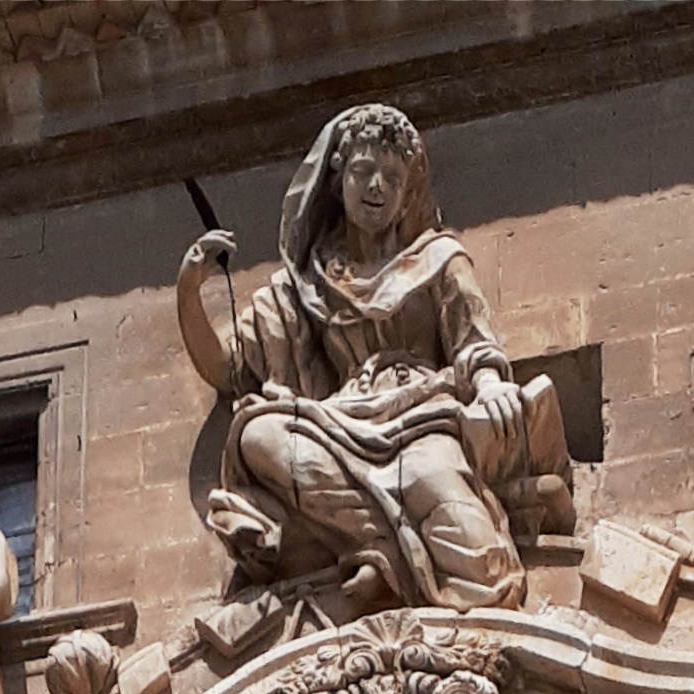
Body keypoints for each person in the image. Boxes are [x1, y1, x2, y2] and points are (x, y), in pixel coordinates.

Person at [177, 105, 574, 616]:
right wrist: (189, 290)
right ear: (338, 178)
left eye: (392, 176)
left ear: (409, 189)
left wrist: (493, 384)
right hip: (339, 419)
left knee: (471, 546)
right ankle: (385, 552)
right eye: (364, 172)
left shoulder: (438, 259)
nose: (377, 188)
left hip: (420, 416)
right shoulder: (304, 285)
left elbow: (474, 340)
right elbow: (229, 369)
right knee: (257, 436)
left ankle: (394, 557)